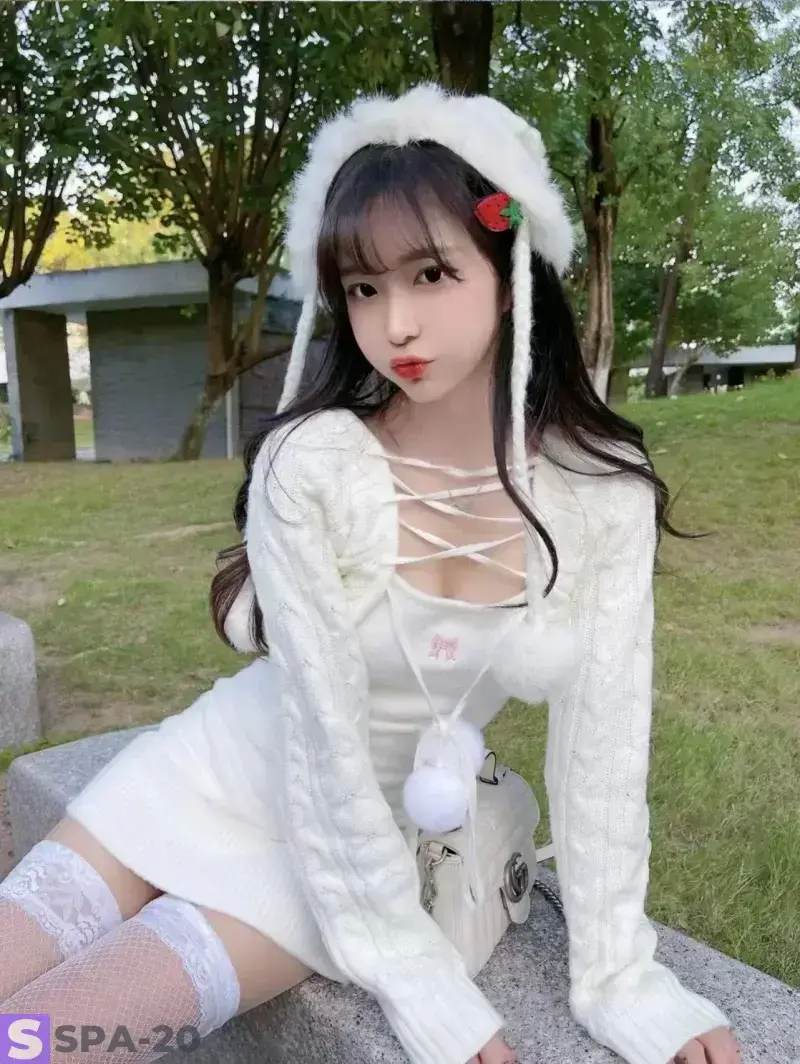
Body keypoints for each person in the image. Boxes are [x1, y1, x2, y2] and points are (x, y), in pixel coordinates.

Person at [0, 84, 740, 1064]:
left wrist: (619, 977)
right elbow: (317, 733)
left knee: (38, 1041)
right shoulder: (313, 464)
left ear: (508, 274)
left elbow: (603, 752)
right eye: (361, 288)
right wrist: (419, 974)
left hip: (344, 856)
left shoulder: (596, 496)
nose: (394, 324)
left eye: (431, 273)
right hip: (218, 768)